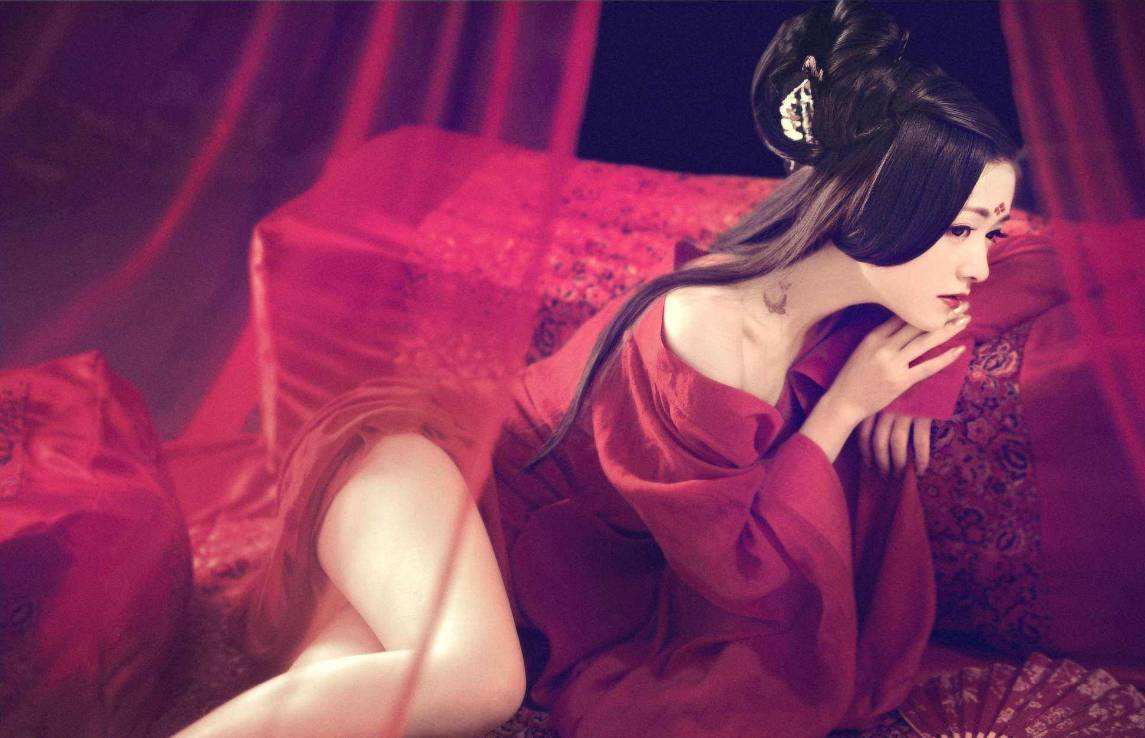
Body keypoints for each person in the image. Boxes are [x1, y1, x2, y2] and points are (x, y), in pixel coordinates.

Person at [174, 1, 1027, 736]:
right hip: (436, 472)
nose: (979, 263)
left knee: (351, 697)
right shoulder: (712, 332)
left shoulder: (849, 295)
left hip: (518, 568)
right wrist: (843, 409)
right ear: (876, 209)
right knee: (476, 682)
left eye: (987, 230)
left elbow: (1044, 266)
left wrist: (922, 378)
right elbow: (740, 573)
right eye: (960, 231)